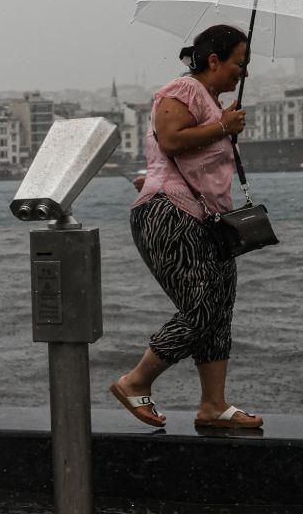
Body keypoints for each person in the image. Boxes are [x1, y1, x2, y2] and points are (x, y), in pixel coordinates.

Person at [112, 24, 263, 430]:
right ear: (214, 60)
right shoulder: (184, 90)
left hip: (210, 220)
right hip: (170, 212)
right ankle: (135, 381)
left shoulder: (212, 101)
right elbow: (171, 139)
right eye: (239, 63)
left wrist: (221, 124)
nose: (243, 73)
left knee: (220, 309)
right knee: (201, 308)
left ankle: (213, 405)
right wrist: (223, 128)